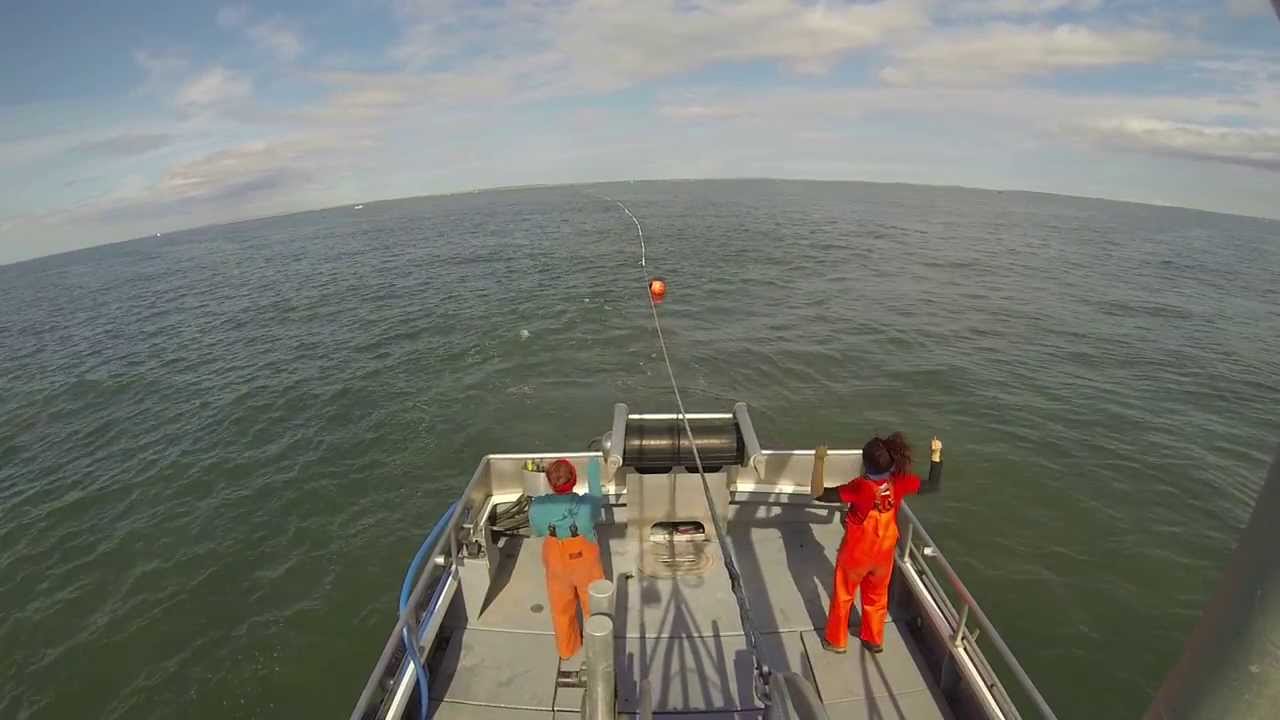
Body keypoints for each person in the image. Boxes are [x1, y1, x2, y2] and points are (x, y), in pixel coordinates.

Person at [811, 433, 942, 654]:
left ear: (865, 463)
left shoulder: (860, 486)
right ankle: (873, 639)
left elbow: (819, 494)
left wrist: (819, 460)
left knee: (844, 595)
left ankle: (836, 641)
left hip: (856, 553)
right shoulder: (899, 482)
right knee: (877, 596)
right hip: (884, 554)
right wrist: (936, 454)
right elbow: (933, 485)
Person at [528, 458, 606, 659]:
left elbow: (537, 532)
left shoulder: (537, 506)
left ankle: (567, 649)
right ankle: (598, 648)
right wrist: (594, 463)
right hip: (584, 561)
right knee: (594, 605)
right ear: (574, 480)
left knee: (561, 608)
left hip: (556, 561)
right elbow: (596, 492)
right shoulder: (588, 504)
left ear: (549, 482)